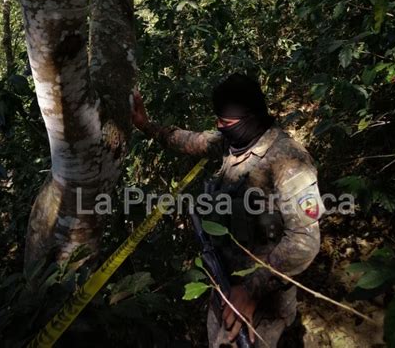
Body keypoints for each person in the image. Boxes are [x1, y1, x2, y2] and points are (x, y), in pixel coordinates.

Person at [132, 73, 324, 348]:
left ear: (250, 118)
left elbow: (304, 241)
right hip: (224, 284)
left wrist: (250, 289)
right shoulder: (231, 144)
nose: (218, 126)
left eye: (225, 122)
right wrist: (146, 125)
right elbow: (188, 140)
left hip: (260, 302)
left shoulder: (289, 161)